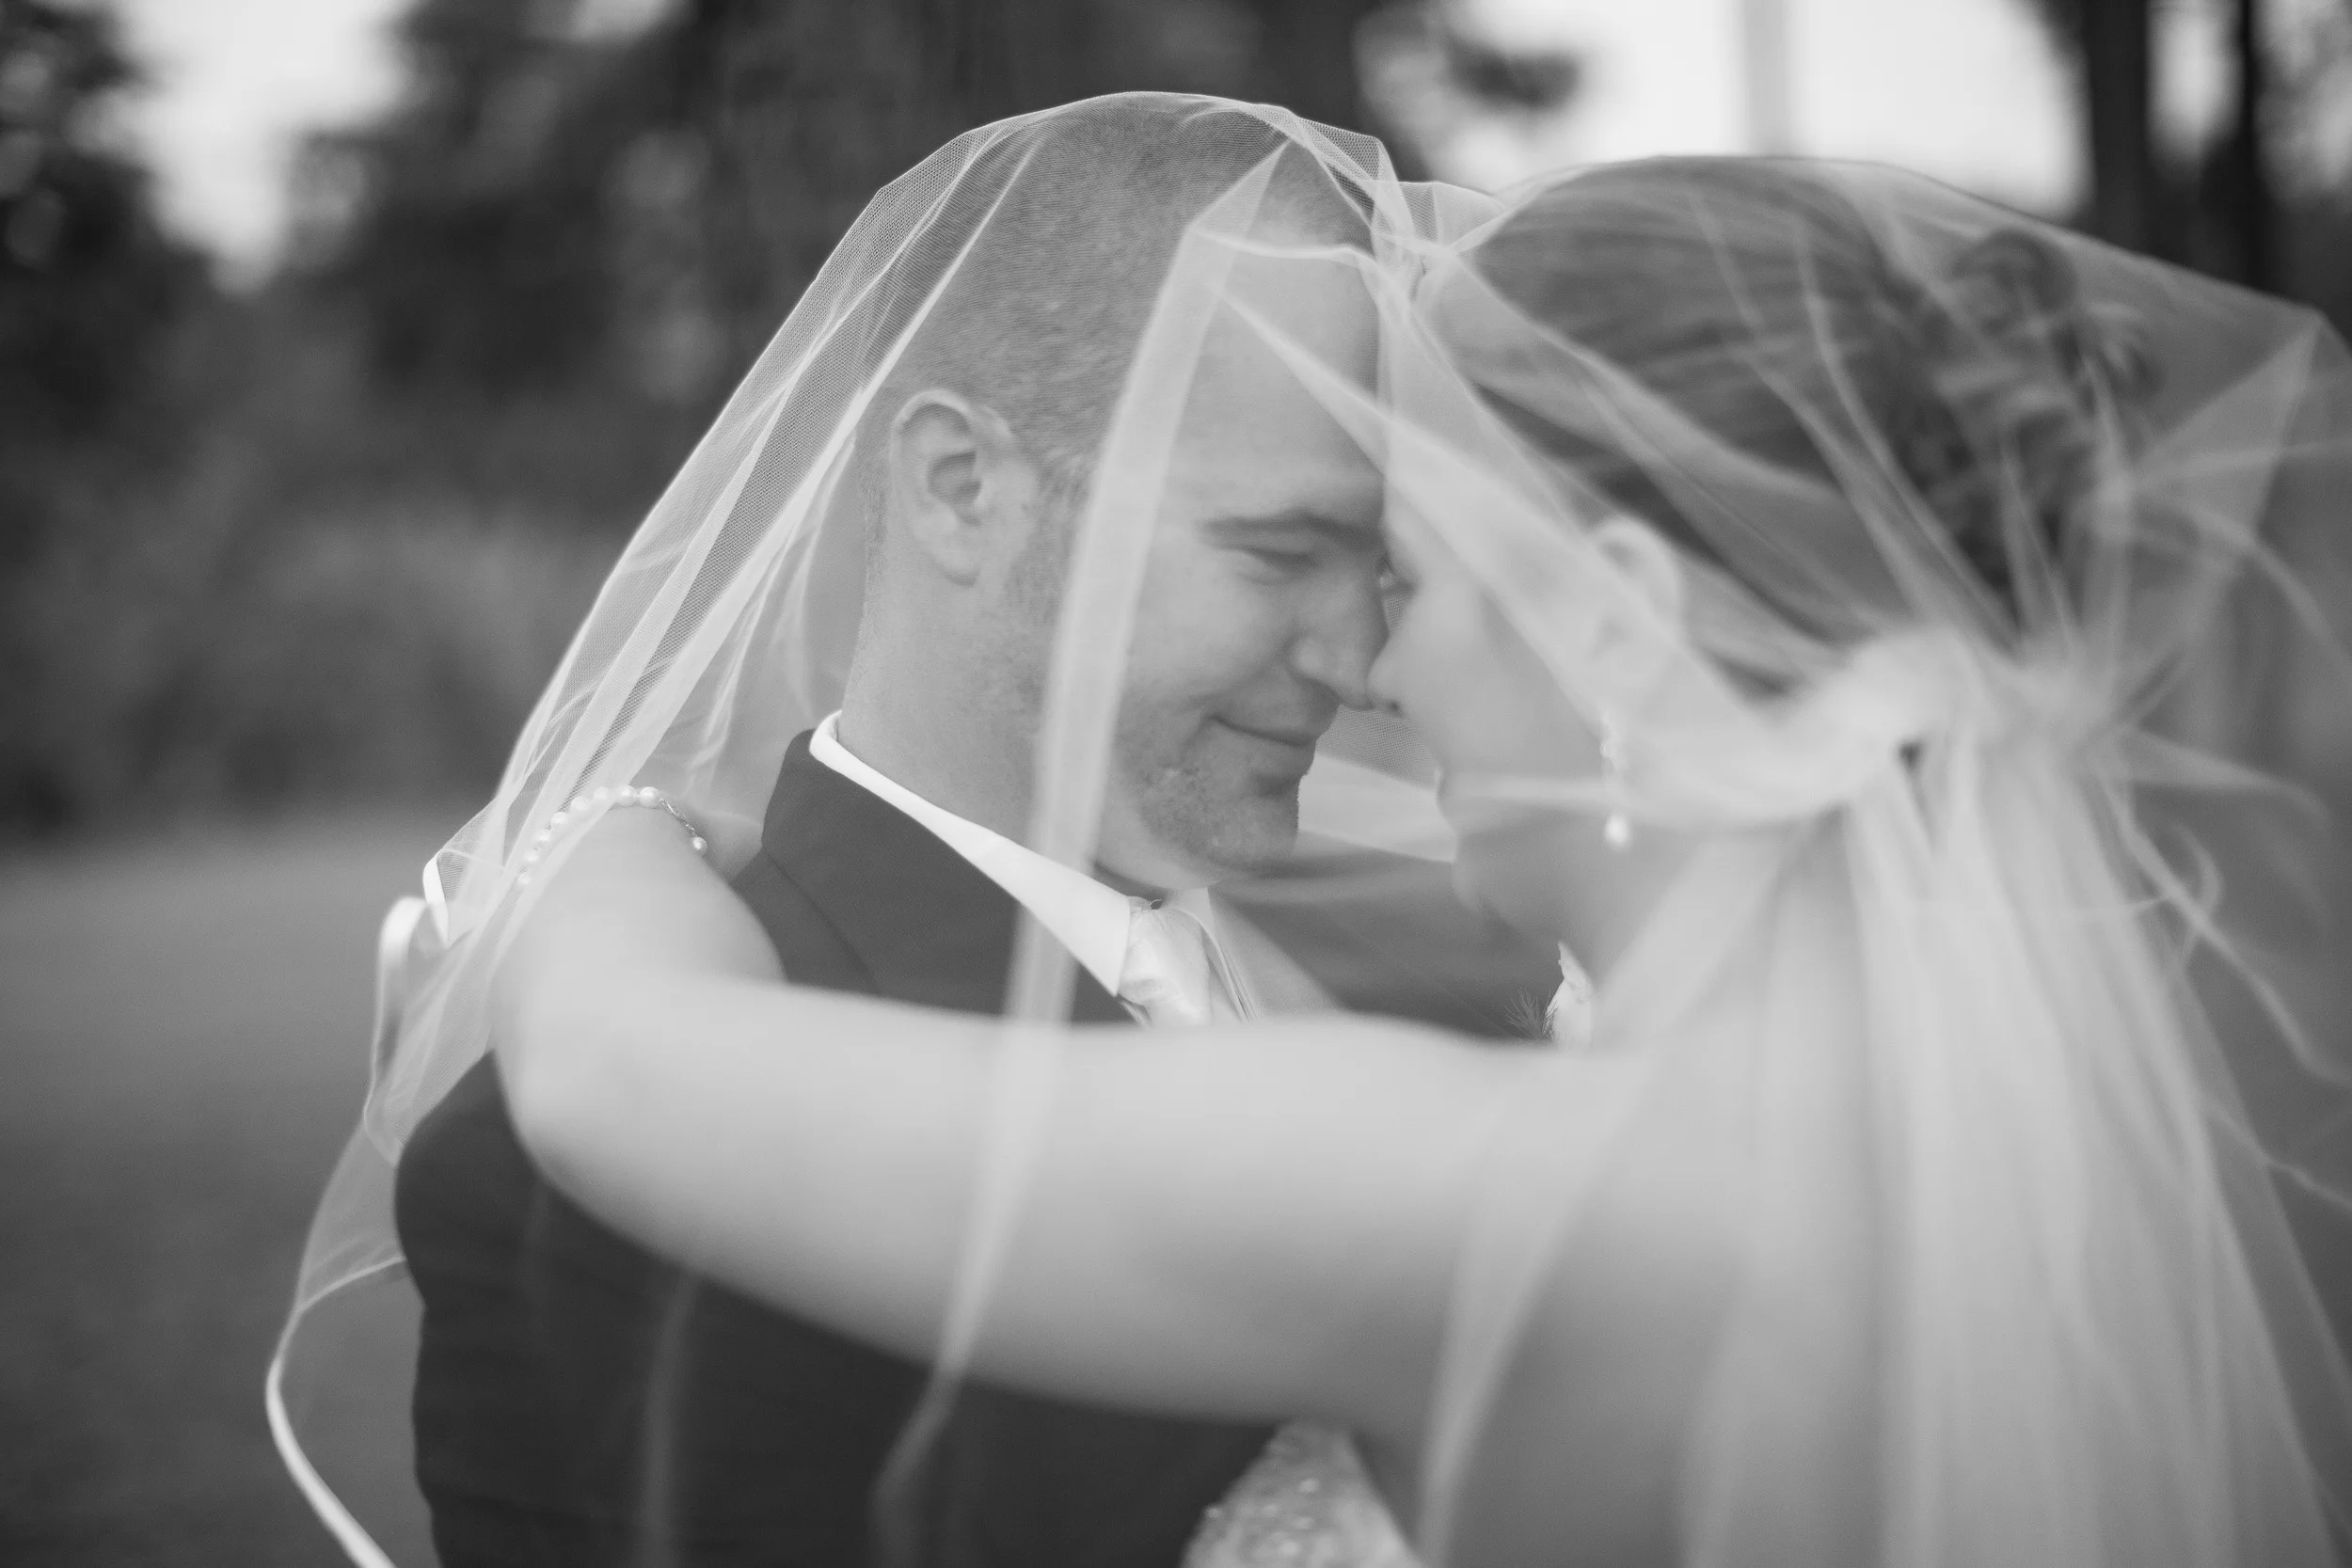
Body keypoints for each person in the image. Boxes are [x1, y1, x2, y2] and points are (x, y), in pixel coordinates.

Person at [485, 155, 2352, 1568]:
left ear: (1615, 624)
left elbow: (612, 1065)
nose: (1380, 667)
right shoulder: (2030, 1147)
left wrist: (598, 833)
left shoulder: (1529, 1194)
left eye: (1425, 577)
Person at [268, 96, 1544, 1568]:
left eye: (1381, 570)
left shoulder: (1475, 962)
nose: (1362, 657)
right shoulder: (608, 1187)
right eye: (1278, 552)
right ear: (960, 489)